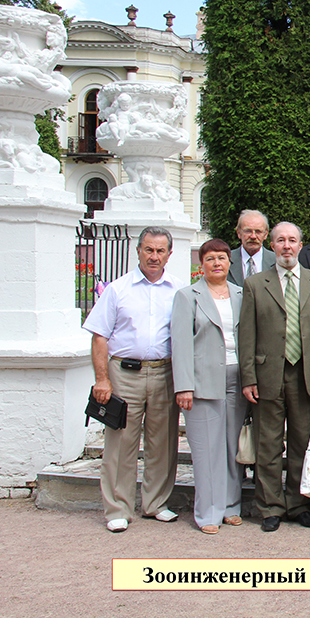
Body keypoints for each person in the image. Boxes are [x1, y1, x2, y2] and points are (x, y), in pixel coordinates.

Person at [83, 226, 183, 533]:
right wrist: (102, 380)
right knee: (121, 442)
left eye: (160, 251)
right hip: (124, 373)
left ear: (169, 254)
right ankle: (118, 507)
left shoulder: (178, 290)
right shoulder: (118, 289)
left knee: (162, 440)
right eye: (148, 250)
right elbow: (99, 337)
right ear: (138, 251)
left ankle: (155, 503)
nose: (154, 256)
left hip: (165, 372)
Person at [238, 222, 310, 532]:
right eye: (280, 241)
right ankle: (270, 506)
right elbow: (247, 335)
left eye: (292, 240)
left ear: (301, 245)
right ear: (272, 245)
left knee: (303, 443)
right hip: (267, 374)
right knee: (268, 443)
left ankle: (299, 504)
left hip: (304, 374)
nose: (286, 246)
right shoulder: (255, 283)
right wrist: (248, 377)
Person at [170, 238, 245, 535]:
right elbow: (181, 343)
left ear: (230, 263)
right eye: (210, 258)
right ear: (201, 264)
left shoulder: (241, 294)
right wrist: (184, 386)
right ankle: (207, 512)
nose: (217, 263)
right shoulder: (188, 296)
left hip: (236, 379)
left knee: (231, 446)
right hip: (201, 382)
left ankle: (231, 506)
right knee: (206, 449)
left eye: (222, 258)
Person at [228, 210, 275, 286]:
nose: (253, 236)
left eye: (258, 231)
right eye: (248, 231)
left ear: (265, 234)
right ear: (239, 233)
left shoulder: (276, 262)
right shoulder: (227, 260)